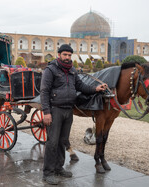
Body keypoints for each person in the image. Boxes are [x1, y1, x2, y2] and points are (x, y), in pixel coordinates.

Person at [40, 44, 108, 185]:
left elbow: (81, 87)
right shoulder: (50, 70)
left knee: (62, 140)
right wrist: (46, 112)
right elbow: (44, 91)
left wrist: (96, 88)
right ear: (59, 55)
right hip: (55, 109)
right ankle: (48, 173)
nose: (67, 57)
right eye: (64, 54)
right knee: (52, 142)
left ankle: (59, 168)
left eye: (69, 55)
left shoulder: (72, 70)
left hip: (68, 110)